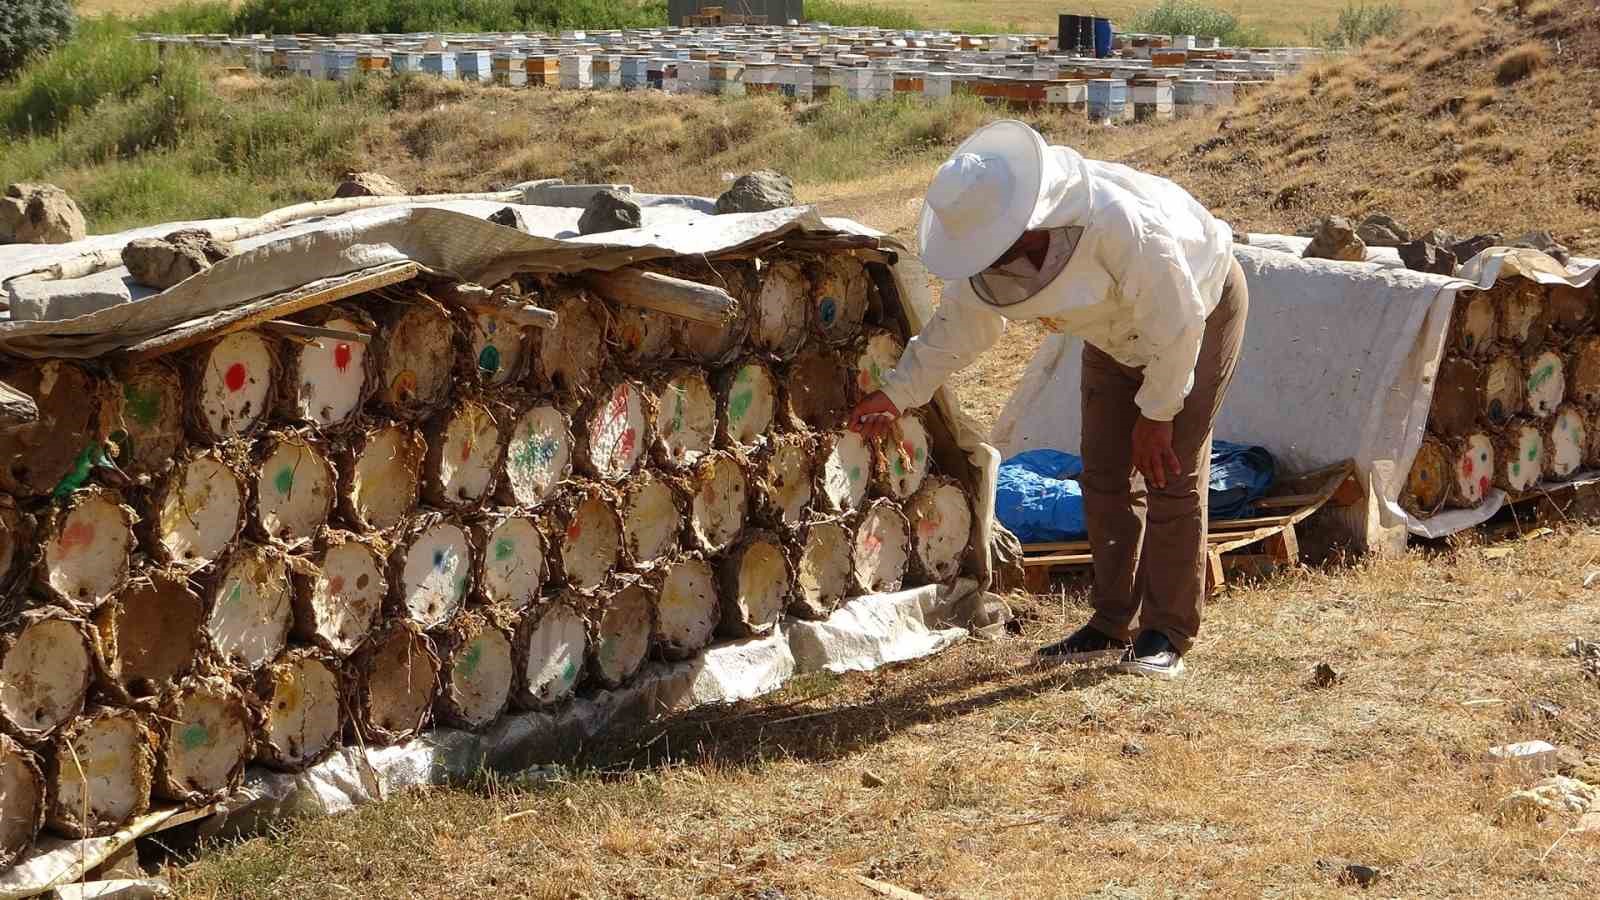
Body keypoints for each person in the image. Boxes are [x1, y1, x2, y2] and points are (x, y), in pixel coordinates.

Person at [848, 120, 1248, 680]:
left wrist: (1157, 414)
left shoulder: (1117, 222)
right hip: (1111, 335)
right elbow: (958, 329)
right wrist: (895, 394)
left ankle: (1167, 631)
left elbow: (1178, 325)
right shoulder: (988, 251)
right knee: (1104, 473)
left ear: (1025, 220)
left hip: (1198, 310)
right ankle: (1111, 622)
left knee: (1168, 470)